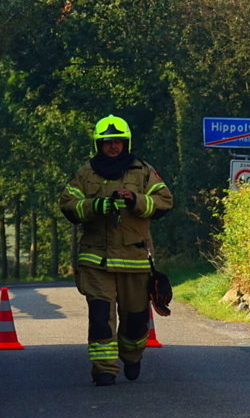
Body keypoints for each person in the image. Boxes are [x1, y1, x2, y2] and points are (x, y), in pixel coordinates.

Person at [59, 115, 173, 386]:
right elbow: (68, 205)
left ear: (126, 143)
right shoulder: (85, 173)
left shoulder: (143, 171)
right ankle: (104, 370)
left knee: (136, 321)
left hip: (135, 260)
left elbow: (165, 201)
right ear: (98, 144)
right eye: (108, 142)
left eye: (118, 142)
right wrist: (96, 206)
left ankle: (132, 356)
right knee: (100, 317)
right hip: (95, 261)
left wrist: (136, 200)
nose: (113, 146)